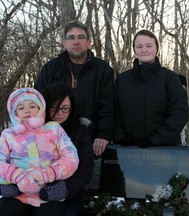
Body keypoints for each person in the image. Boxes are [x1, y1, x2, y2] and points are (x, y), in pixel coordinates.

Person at [35, 21, 114, 156]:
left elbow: (109, 106)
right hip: (52, 143)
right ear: (64, 43)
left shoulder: (103, 69)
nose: (76, 42)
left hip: (89, 142)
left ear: (89, 42)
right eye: (71, 37)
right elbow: (37, 104)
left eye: (81, 37)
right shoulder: (51, 68)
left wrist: (104, 134)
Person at [0, 87, 79, 216]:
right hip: (18, 194)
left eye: (32, 106)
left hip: (49, 193)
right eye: (21, 108)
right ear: (15, 113)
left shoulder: (53, 129)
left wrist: (49, 174)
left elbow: (71, 157)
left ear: (40, 108)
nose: (27, 110)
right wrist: (16, 175)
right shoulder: (8, 135)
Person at [113, 29, 189, 147]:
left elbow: (179, 113)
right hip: (128, 152)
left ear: (156, 48)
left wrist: (155, 140)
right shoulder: (122, 80)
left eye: (149, 45)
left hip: (165, 150)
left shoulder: (170, 79)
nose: (144, 50)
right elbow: (114, 113)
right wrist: (121, 138)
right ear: (134, 49)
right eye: (139, 46)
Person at [41, 82, 94, 216]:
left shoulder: (80, 131)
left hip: (69, 191)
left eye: (65, 108)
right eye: (55, 108)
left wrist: (65, 188)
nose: (60, 113)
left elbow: (86, 167)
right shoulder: (34, 129)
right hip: (35, 188)